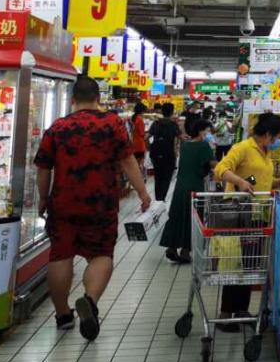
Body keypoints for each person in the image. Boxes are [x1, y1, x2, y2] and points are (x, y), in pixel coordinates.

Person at [35, 74, 152, 341]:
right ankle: (90, 300)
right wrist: (142, 192)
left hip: (63, 202)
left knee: (60, 256)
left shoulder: (57, 127)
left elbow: (43, 169)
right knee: (101, 255)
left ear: (73, 100)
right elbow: (128, 161)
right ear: (98, 98)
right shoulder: (112, 123)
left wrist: (43, 198)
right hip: (100, 203)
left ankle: (63, 315)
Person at [213, 113, 280, 317]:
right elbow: (220, 169)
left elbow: (258, 181)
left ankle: (241, 310)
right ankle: (227, 312)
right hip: (239, 213)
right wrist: (240, 182)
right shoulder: (243, 148)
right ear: (269, 134)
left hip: (258, 214)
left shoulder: (264, 152)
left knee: (250, 264)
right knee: (236, 263)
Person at [159, 117, 214, 263]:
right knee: (193, 218)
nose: (207, 134)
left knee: (177, 216)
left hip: (180, 186)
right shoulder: (203, 145)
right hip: (195, 186)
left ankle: (171, 247)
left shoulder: (185, 145)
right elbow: (213, 164)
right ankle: (185, 251)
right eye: (206, 131)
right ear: (200, 131)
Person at [146, 102, 180, 201]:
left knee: (158, 177)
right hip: (168, 154)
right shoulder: (173, 125)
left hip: (156, 154)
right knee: (167, 177)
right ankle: (162, 198)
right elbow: (181, 137)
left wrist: (150, 147)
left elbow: (146, 137)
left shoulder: (156, 123)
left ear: (162, 111)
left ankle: (158, 199)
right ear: (172, 112)